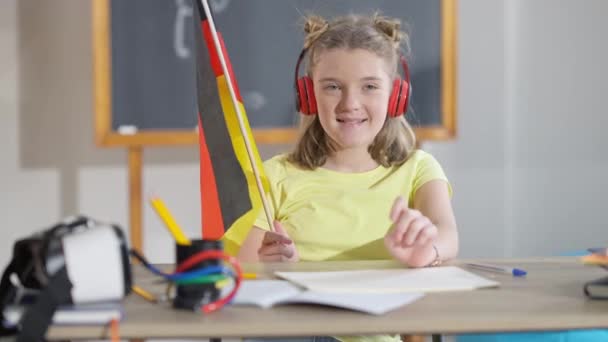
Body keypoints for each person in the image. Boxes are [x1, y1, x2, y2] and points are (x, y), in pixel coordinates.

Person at [224, 12, 459, 342]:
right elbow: (241, 269)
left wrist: (427, 249)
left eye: (370, 87)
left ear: (395, 96)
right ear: (308, 95)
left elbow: (447, 234)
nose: (351, 103)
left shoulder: (418, 169)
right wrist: (278, 265)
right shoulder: (275, 175)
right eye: (332, 87)